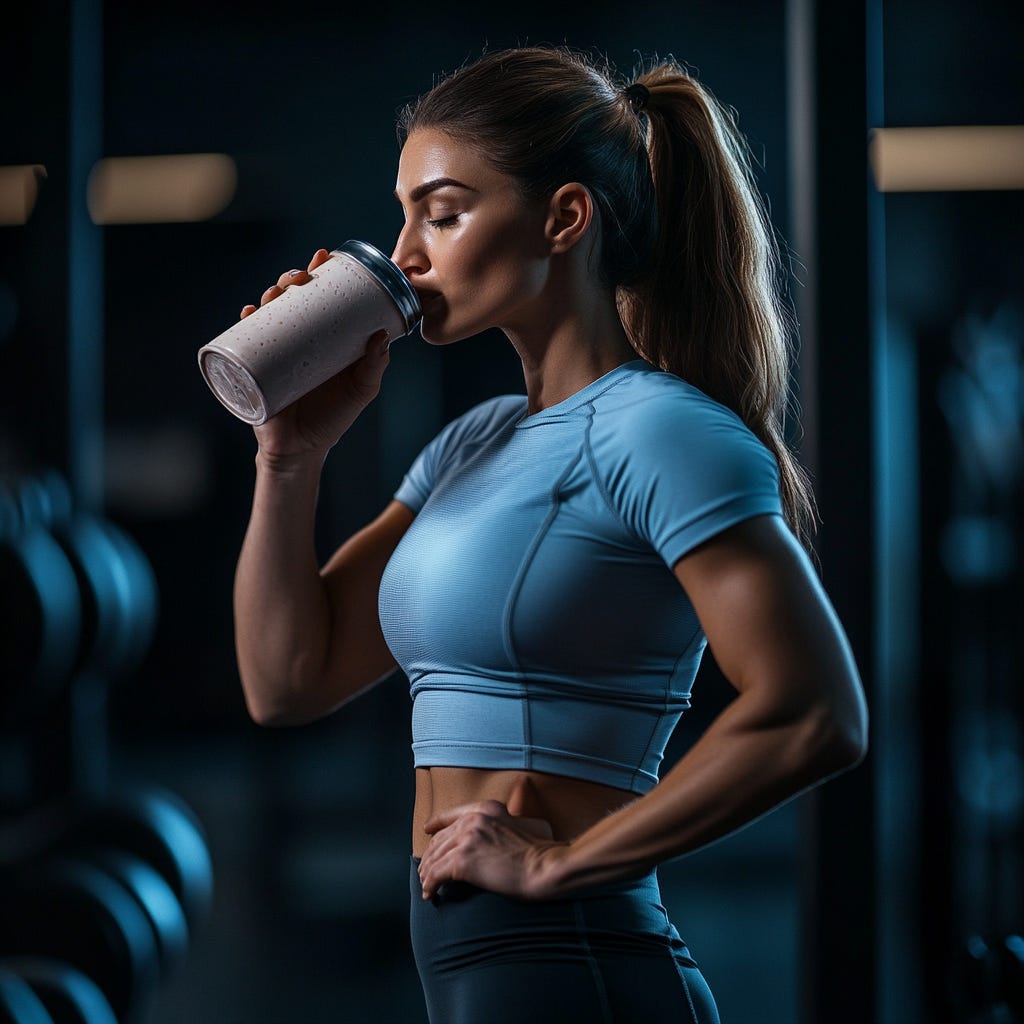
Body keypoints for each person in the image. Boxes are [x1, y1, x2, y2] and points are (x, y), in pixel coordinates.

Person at [231, 45, 868, 1024]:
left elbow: (814, 710)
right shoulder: (470, 443)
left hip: (573, 960)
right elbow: (287, 678)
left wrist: (565, 859)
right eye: (404, 214)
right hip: (472, 969)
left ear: (564, 219)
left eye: (442, 214)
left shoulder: (658, 428)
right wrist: (290, 456)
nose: (405, 252)